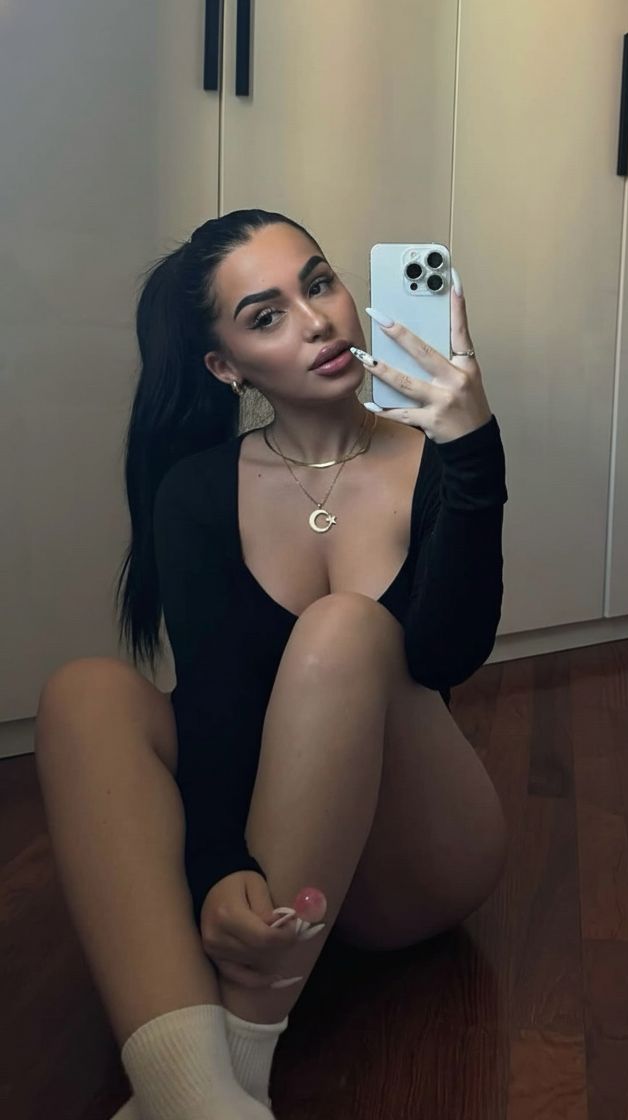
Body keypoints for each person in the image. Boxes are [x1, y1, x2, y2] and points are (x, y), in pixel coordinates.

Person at [33, 209, 510, 1119]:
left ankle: (244, 1047)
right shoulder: (199, 491)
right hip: (271, 835)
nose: (317, 320)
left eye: (319, 283)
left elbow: (450, 655)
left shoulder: (440, 455)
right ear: (227, 368)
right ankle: (191, 1089)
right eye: (267, 315)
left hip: (414, 857)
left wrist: (473, 452)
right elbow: (213, 703)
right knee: (85, 695)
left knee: (344, 629)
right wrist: (218, 866)